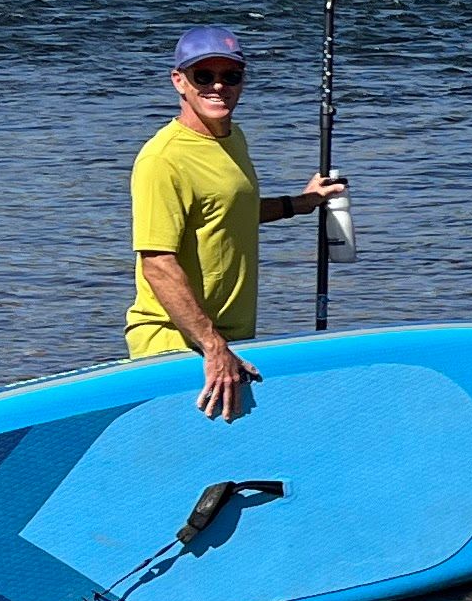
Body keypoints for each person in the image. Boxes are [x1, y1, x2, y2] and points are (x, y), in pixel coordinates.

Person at [126, 23, 346, 420]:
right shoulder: (163, 159)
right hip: (178, 344)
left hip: (226, 341)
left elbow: (229, 211)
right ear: (178, 81)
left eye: (230, 76)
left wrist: (301, 203)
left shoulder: (233, 138)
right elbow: (157, 263)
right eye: (203, 76)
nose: (218, 87)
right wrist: (212, 347)